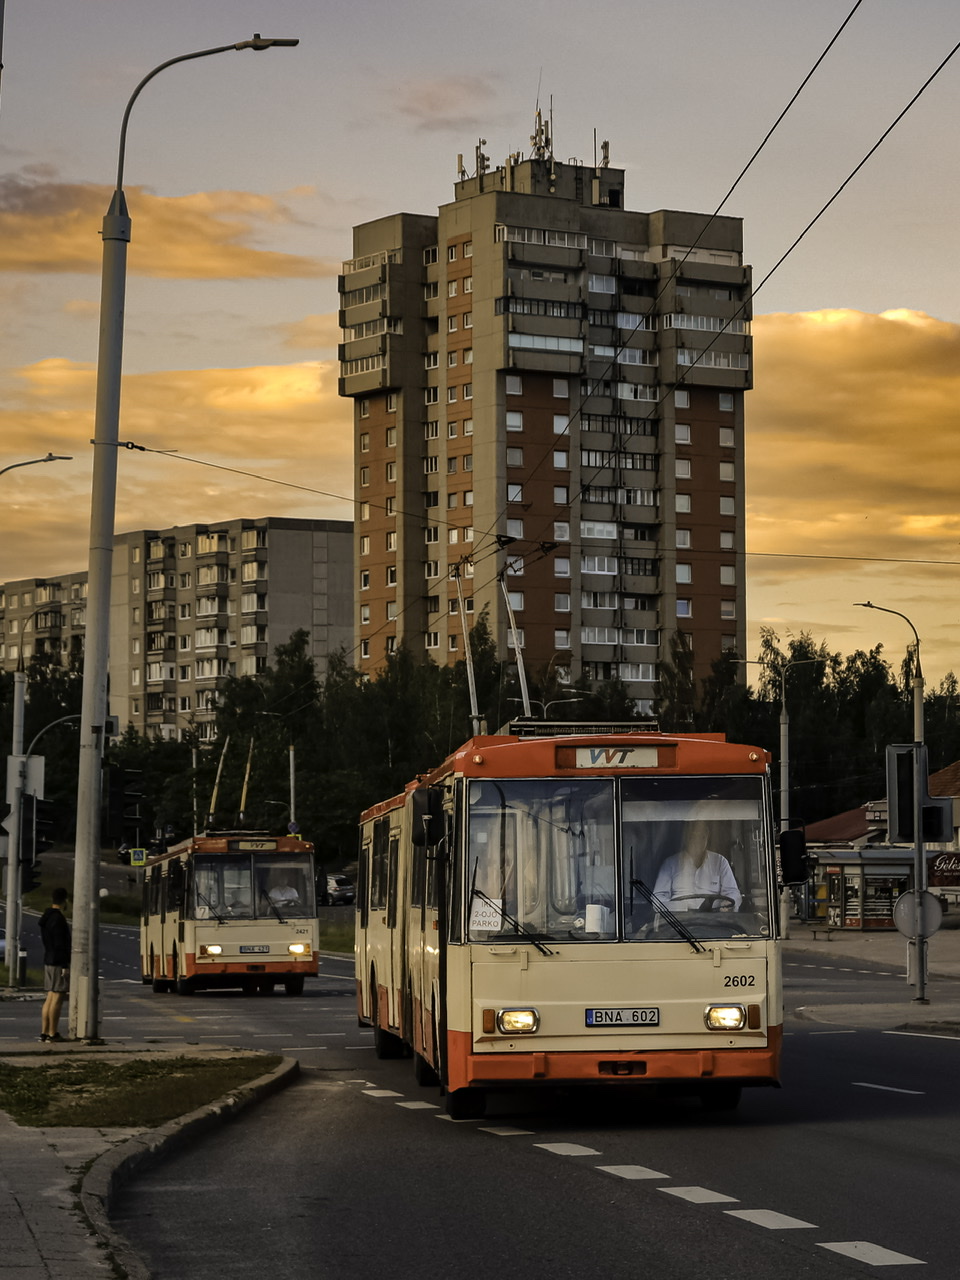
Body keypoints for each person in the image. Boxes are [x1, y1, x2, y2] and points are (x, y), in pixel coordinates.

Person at [652, 824, 742, 912]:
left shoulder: (720, 861)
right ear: (686, 838)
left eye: (702, 837)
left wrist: (727, 903)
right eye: (693, 837)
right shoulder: (670, 864)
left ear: (707, 836)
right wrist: (677, 908)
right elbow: (658, 898)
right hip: (679, 920)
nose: (697, 841)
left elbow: (733, 892)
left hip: (714, 920)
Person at [38, 887, 71, 1042]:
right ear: (64, 901)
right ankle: (53, 1033)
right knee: (58, 997)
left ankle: (44, 1033)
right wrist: (65, 964)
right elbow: (61, 944)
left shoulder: (46, 917)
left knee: (50, 996)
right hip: (58, 962)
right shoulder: (58, 919)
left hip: (48, 959)